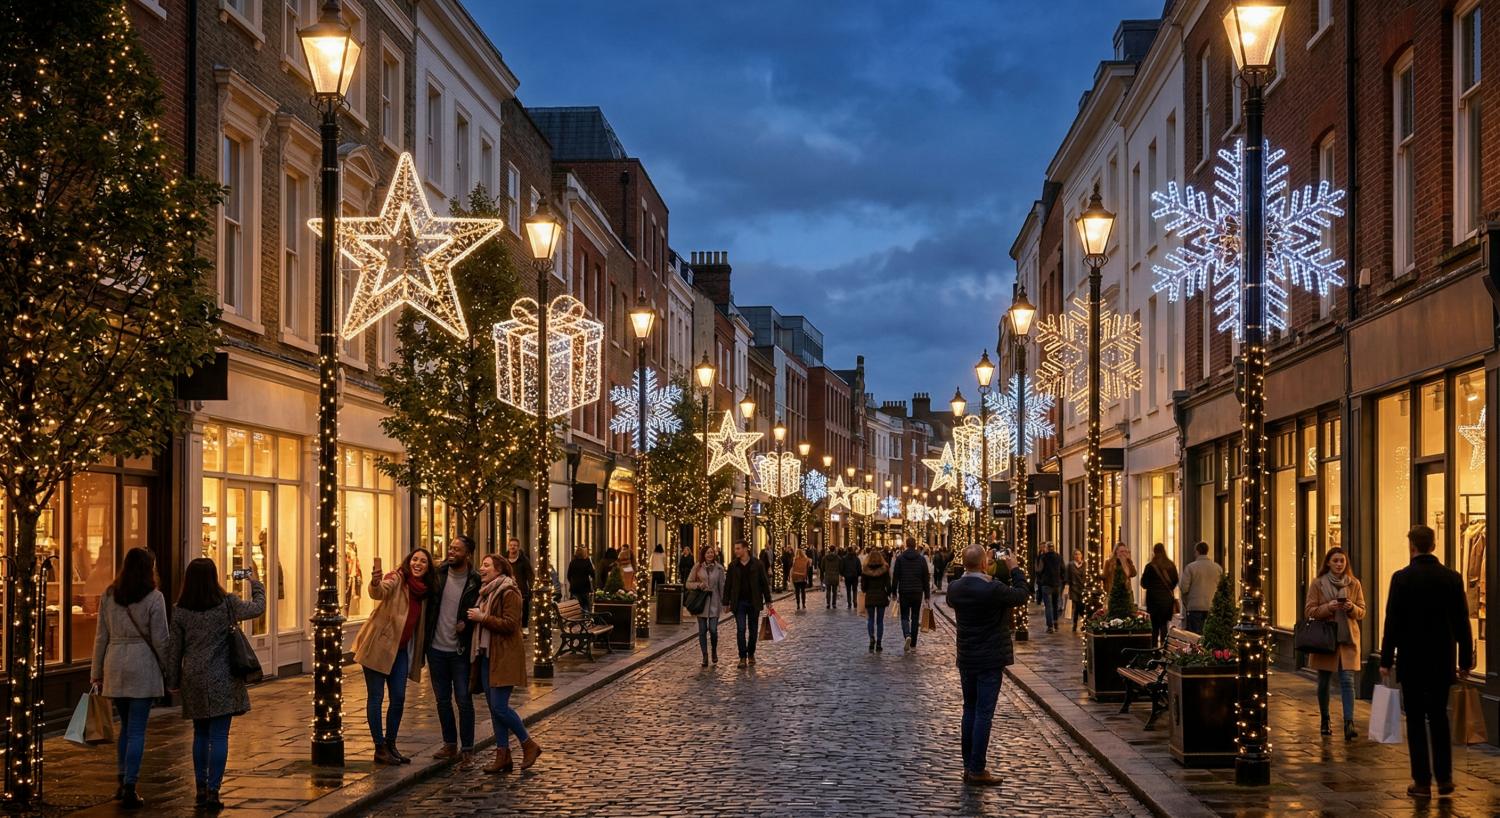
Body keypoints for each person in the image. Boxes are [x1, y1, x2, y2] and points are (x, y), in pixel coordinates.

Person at [164, 558, 266, 811]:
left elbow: (174, 649)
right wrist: (256, 584)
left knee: (200, 733)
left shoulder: (181, 610)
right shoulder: (227, 604)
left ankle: (200, 787)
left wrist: (172, 680)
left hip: (194, 677)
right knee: (219, 735)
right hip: (223, 676)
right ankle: (213, 790)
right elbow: (258, 608)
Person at [1379, 525, 1473, 799]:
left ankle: (1422, 782)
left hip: (1411, 660)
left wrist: (1386, 660)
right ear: (1433, 545)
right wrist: (1465, 660)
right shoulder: (1452, 578)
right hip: (1442, 660)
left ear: (1413, 547)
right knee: (1439, 716)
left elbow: (1392, 622)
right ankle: (1444, 778)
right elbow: (1462, 622)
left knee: (1416, 719)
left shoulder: (1402, 578)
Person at [90, 546, 169, 809]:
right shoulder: (154, 597)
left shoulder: (109, 595)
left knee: (125, 726)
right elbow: (161, 639)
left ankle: (122, 779)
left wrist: (96, 673)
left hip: (114, 662)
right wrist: (170, 671)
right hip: (142, 664)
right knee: (136, 729)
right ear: (149, 568)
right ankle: (131, 785)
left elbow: (101, 636)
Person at [946, 544, 1029, 786]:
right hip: (990, 658)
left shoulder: (954, 589)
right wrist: (1014, 568)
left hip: (967, 658)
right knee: (983, 713)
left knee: (969, 710)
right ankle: (977, 769)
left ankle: (967, 765)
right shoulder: (993, 589)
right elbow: (1022, 594)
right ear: (984, 563)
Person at [352, 548, 432, 765]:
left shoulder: (424, 591)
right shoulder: (397, 579)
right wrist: (375, 582)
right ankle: (379, 748)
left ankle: (391, 743)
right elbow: (379, 592)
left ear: (428, 567)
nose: (418, 563)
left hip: (401, 651)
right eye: (415, 559)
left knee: (398, 698)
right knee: (376, 697)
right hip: (378, 646)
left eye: (423, 561)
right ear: (408, 562)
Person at [467, 554, 542, 774]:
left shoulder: (509, 591)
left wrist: (482, 618)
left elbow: (510, 624)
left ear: (499, 570)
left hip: (505, 655)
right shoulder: (486, 593)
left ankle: (528, 744)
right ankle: (503, 755)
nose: (482, 568)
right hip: (487, 655)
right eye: (482, 564)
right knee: (494, 709)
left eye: (487, 565)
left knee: (500, 707)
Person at [425, 536, 481, 769]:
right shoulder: (438, 574)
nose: (451, 551)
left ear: (467, 555)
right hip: (436, 649)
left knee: (464, 701)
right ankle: (450, 744)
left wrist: (466, 625)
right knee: (442, 700)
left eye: (457, 549)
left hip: (459, 651)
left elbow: (481, 610)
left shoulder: (475, 580)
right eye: (450, 548)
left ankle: (467, 750)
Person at [1305, 546, 1364, 740]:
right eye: (1335, 561)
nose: (1339, 564)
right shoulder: (1318, 583)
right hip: (1325, 639)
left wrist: (1351, 607)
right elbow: (1310, 611)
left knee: (1348, 681)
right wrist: (1328, 607)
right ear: (1328, 563)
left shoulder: (1354, 584)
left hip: (1347, 640)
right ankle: (1325, 719)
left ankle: (1349, 723)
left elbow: (1362, 611)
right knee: (1324, 682)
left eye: (1342, 561)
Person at [724, 540, 773, 667]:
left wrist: (768, 600)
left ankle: (751, 653)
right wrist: (725, 602)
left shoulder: (757, 564)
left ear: (746, 549)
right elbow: (728, 584)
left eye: (738, 548)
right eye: (735, 548)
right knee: (740, 630)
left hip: (753, 602)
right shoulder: (733, 566)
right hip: (738, 602)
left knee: (753, 631)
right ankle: (742, 657)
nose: (735, 551)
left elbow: (764, 583)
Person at [686, 545, 726, 666]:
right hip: (701, 604)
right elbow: (688, 583)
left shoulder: (719, 569)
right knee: (702, 630)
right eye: (708, 553)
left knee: (713, 630)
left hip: (714, 603)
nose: (710, 555)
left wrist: (724, 603)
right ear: (703, 555)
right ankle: (705, 655)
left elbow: (722, 587)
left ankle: (714, 650)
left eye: (712, 553)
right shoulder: (697, 567)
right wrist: (699, 585)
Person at [890, 537, 931, 652]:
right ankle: (913, 645)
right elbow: (925, 578)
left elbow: (896, 577)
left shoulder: (900, 559)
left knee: (904, 616)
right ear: (916, 546)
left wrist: (893, 592)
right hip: (917, 591)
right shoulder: (921, 559)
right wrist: (927, 595)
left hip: (904, 591)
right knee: (915, 616)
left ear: (906, 545)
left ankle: (907, 634)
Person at [1177, 542, 1222, 635]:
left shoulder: (1191, 567)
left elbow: (1183, 587)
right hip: (1211, 605)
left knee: (1194, 635)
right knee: (1208, 633)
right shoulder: (1217, 567)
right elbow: (1221, 587)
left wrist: (1186, 600)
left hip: (1195, 605)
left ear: (1197, 552)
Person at [1140, 543, 1179, 646]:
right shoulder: (1171, 565)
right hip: (1166, 599)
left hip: (1153, 600)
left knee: (1154, 625)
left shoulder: (1150, 566)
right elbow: (1175, 582)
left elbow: (1144, 584)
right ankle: (1164, 646)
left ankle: (1154, 647)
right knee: (1164, 624)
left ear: (1154, 552)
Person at [862, 549, 892, 652]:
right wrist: (888, 593)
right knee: (880, 621)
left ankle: (871, 638)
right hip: (881, 596)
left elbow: (863, 587)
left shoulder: (865, 570)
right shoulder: (884, 569)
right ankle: (879, 642)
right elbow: (888, 584)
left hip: (870, 596)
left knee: (870, 619)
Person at [505, 539, 535, 633]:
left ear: (518, 547)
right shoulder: (503, 559)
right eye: (511, 545)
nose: (512, 547)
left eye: (514, 545)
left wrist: (531, 587)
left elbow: (530, 575)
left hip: (521, 588)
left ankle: (524, 626)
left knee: (523, 608)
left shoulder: (524, 560)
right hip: (507, 588)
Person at [1035, 542, 1065, 633]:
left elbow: (1039, 570)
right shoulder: (1059, 557)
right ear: (1054, 548)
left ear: (1047, 548)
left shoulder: (1044, 557)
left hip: (1046, 584)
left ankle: (1050, 626)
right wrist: (1060, 578)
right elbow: (1063, 569)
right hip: (1056, 584)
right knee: (1055, 604)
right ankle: (1056, 621)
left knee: (1048, 606)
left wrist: (1039, 577)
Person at [1064, 548, 1086, 631]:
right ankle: (1075, 624)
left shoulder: (1085, 565)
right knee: (1076, 607)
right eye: (1075, 554)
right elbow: (1067, 577)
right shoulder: (1070, 566)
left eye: (1078, 554)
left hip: (1083, 588)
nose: (1077, 556)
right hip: (1074, 588)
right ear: (1073, 556)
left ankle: (1084, 623)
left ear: (1081, 555)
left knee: (1082, 607)